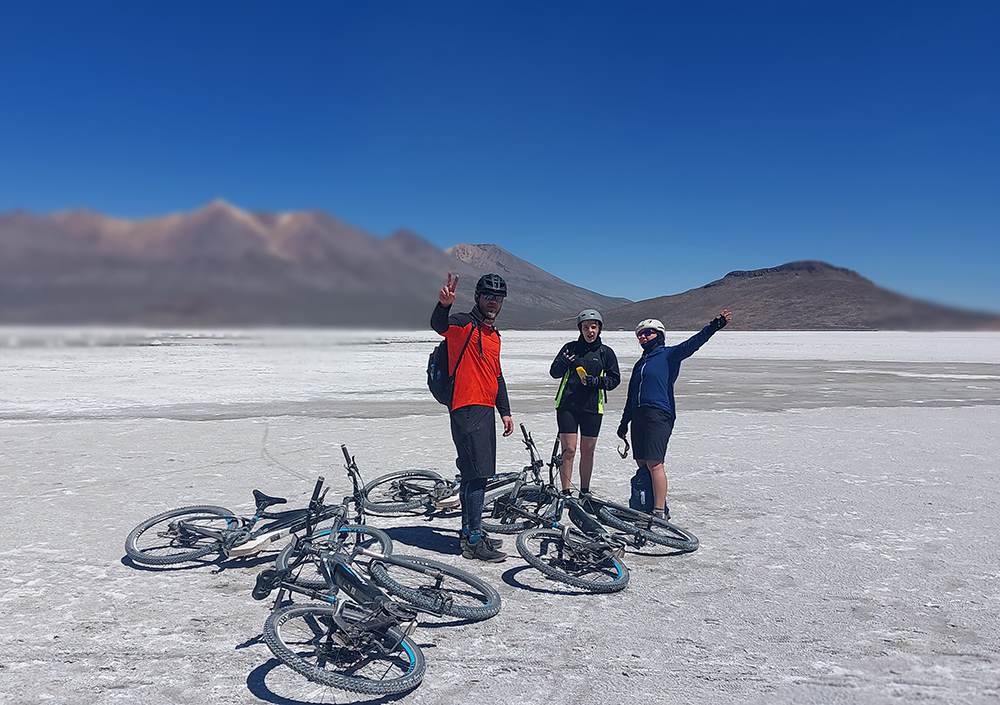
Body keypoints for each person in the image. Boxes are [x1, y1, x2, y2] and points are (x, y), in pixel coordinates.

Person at [617, 310, 732, 520]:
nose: (643, 337)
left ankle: (659, 512)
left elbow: (692, 344)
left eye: (648, 333)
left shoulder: (669, 355)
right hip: (638, 416)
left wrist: (713, 327)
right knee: (642, 463)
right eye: (640, 334)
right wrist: (624, 422)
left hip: (659, 414)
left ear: (659, 335)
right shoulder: (639, 364)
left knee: (655, 463)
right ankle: (647, 506)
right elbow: (631, 395)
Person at [431, 272, 514, 562]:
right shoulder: (464, 324)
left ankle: (470, 532)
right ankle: (474, 539)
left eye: (498, 297)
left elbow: (497, 375)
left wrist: (504, 411)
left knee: (473, 474)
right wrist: (444, 306)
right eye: (488, 295)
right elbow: (439, 326)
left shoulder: (493, 336)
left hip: (485, 409)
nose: (493, 301)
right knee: (478, 476)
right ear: (478, 296)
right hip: (466, 407)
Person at [549, 309, 621, 496]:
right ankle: (565, 492)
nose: (590, 331)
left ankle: (585, 491)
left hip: (592, 408)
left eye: (594, 327)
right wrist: (563, 363)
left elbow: (614, 380)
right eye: (586, 327)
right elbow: (554, 373)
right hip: (567, 407)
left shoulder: (606, 353)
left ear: (599, 329)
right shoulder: (570, 348)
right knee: (569, 450)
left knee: (588, 451)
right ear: (580, 329)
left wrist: (596, 382)